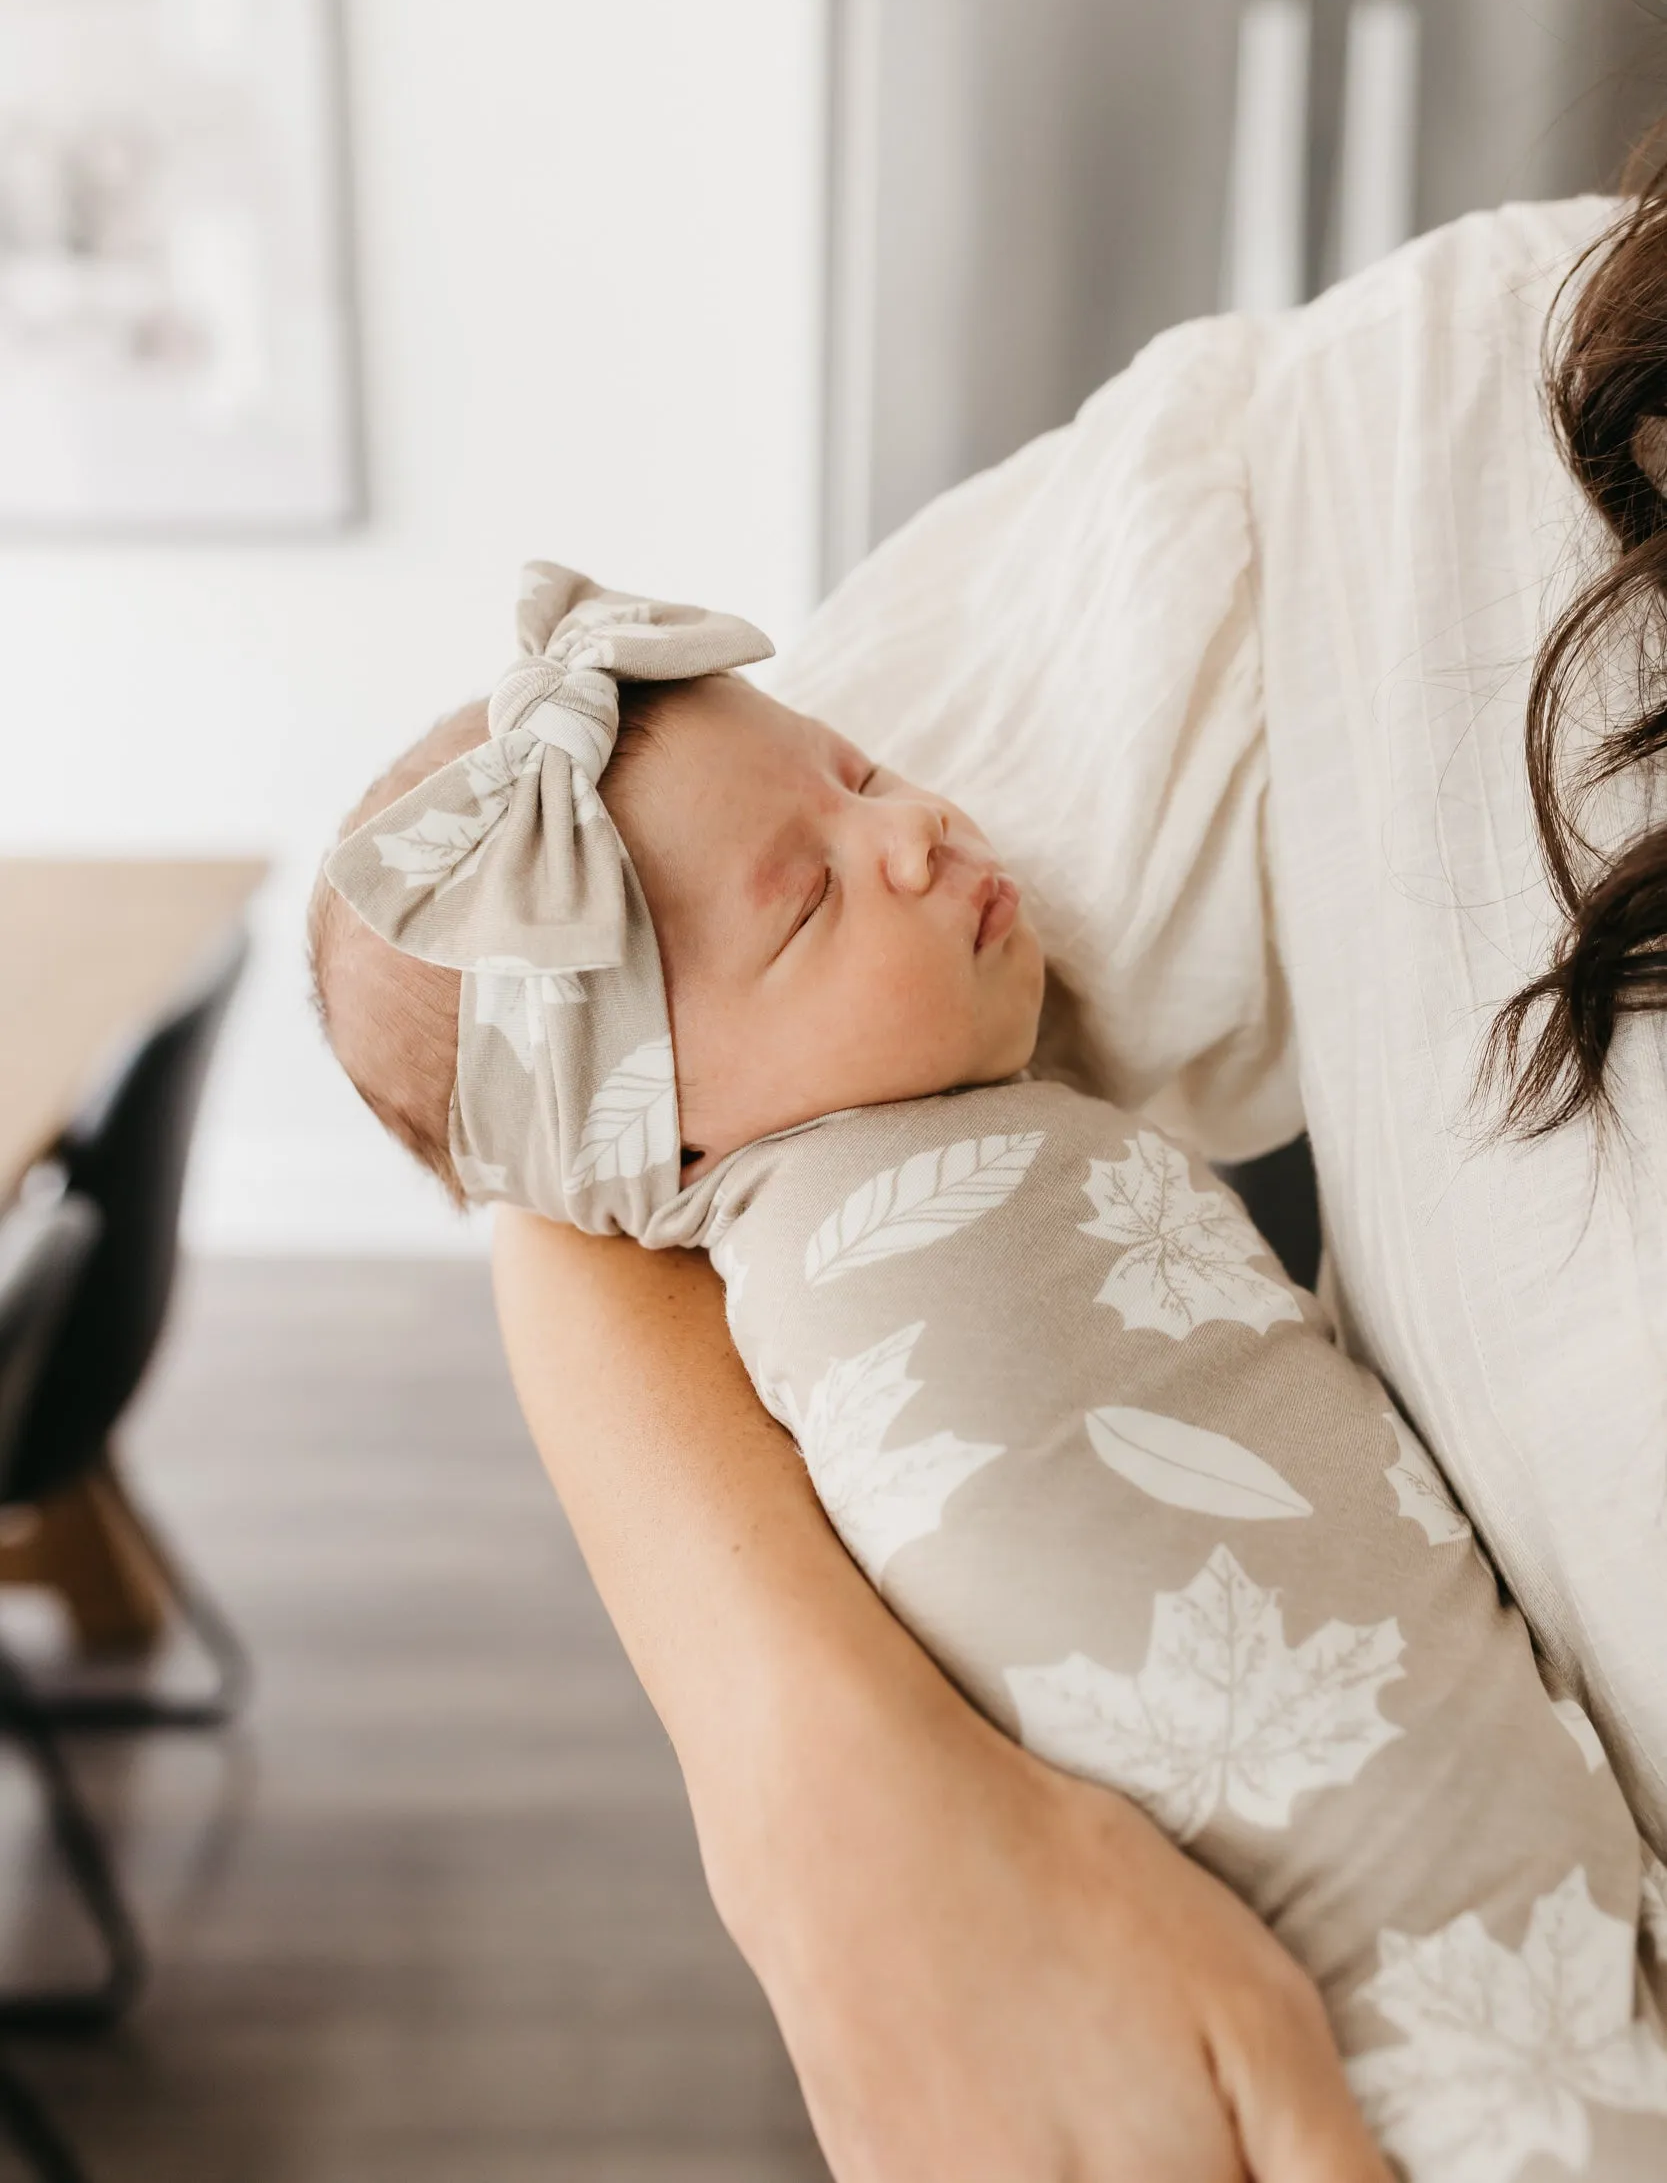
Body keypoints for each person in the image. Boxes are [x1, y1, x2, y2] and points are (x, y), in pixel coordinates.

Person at [310, 556, 1667, 2180]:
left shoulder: (948, 1113)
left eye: (859, 771)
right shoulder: (805, 1253)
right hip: (1371, 1998)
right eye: (807, 901)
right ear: (657, 1143)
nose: (913, 831)